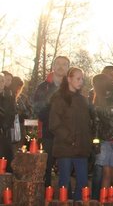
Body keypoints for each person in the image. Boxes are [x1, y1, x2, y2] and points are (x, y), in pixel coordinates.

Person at [49, 67, 92, 201]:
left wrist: (89, 142)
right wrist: (70, 138)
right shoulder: (59, 99)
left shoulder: (83, 100)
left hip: (81, 148)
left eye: (82, 79)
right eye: (78, 78)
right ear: (69, 79)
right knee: (64, 182)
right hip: (65, 147)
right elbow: (54, 124)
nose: (81, 82)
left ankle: (78, 202)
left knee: (83, 182)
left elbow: (87, 124)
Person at [32, 55, 70, 187]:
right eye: (58, 63)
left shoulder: (72, 86)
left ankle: (65, 196)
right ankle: (45, 195)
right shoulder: (43, 87)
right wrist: (53, 121)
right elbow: (37, 107)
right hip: (48, 132)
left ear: (68, 68)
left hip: (67, 133)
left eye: (64, 64)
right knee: (46, 166)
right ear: (53, 66)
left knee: (66, 166)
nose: (61, 66)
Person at [9, 76, 32, 152]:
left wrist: (25, 114)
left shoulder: (22, 98)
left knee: (19, 149)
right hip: (12, 128)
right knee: (13, 150)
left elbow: (29, 110)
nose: (19, 89)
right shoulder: (9, 97)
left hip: (21, 127)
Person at [0, 74, 15, 171]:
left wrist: (5, 126)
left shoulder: (9, 96)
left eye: (1, 81)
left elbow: (12, 113)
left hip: (4, 133)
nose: (0, 83)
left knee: (6, 159)